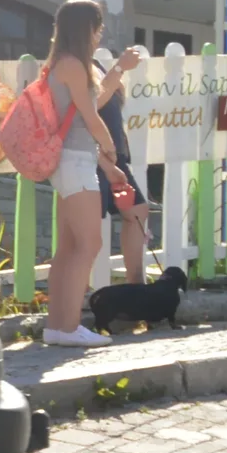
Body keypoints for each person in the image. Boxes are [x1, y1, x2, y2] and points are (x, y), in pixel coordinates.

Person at [42, 0, 122, 347]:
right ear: (84, 28)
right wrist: (110, 147)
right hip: (75, 161)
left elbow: (76, 117)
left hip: (72, 160)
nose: (99, 32)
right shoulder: (74, 65)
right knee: (90, 243)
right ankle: (69, 326)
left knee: (69, 247)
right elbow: (89, 116)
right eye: (97, 25)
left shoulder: (62, 63)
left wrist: (105, 163)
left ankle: (57, 327)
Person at [92, 46, 152, 284]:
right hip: (93, 158)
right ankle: (79, 293)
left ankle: (135, 285)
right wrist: (119, 68)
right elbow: (92, 103)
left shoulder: (94, 66)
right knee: (86, 231)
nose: (98, 36)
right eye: (96, 30)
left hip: (114, 157)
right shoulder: (75, 67)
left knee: (137, 210)